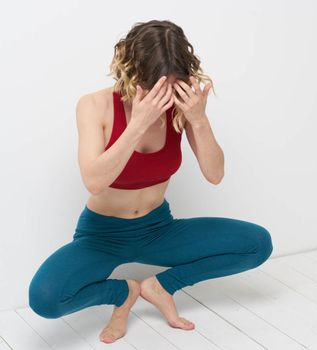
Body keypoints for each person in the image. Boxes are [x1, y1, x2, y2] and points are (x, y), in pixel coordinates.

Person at [27, 19, 273, 344]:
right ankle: (123, 293)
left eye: (174, 84)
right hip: (102, 235)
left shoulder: (181, 109)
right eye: (157, 85)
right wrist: (137, 125)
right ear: (132, 72)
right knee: (44, 299)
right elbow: (95, 181)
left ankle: (160, 287)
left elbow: (215, 175)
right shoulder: (94, 106)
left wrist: (198, 120)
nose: (166, 95)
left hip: (159, 229)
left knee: (258, 244)